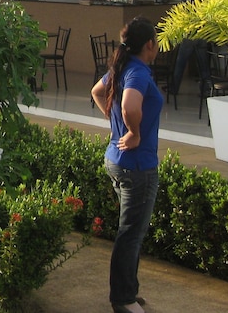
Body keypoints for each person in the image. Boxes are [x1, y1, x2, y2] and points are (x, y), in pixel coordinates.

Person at [90, 16, 163, 313]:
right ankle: (123, 299)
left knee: (129, 231)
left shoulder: (121, 67)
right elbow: (130, 105)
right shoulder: (137, 72)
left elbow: (97, 92)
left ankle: (128, 292)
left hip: (118, 160)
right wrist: (132, 132)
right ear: (149, 44)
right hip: (137, 165)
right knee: (131, 234)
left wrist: (117, 124)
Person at [170, 0, 208, 95]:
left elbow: (182, 15)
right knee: (203, 64)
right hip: (202, 33)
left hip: (189, 34)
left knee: (180, 63)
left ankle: (174, 88)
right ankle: (205, 90)